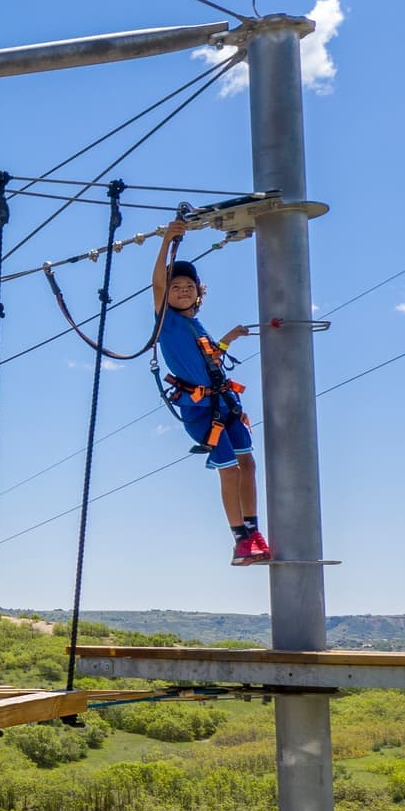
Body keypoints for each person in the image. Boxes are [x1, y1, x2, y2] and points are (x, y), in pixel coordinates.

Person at [154, 222, 270, 565]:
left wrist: (228, 339)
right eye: (176, 288)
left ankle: (253, 530)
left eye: (189, 286)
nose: (182, 291)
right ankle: (239, 538)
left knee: (247, 462)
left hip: (224, 401)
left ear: (199, 292)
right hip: (201, 409)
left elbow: (208, 359)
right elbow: (157, 283)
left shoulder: (197, 326)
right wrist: (165, 242)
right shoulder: (167, 322)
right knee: (229, 468)